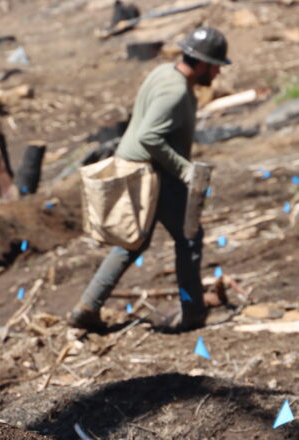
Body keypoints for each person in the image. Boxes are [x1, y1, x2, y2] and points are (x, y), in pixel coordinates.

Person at [68, 26, 231, 332]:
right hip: (154, 173)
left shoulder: (163, 74)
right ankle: (193, 312)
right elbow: (149, 135)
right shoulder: (175, 90)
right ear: (203, 63)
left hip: (138, 167)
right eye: (216, 66)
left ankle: (88, 306)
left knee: (133, 242)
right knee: (189, 237)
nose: (218, 73)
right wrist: (184, 169)